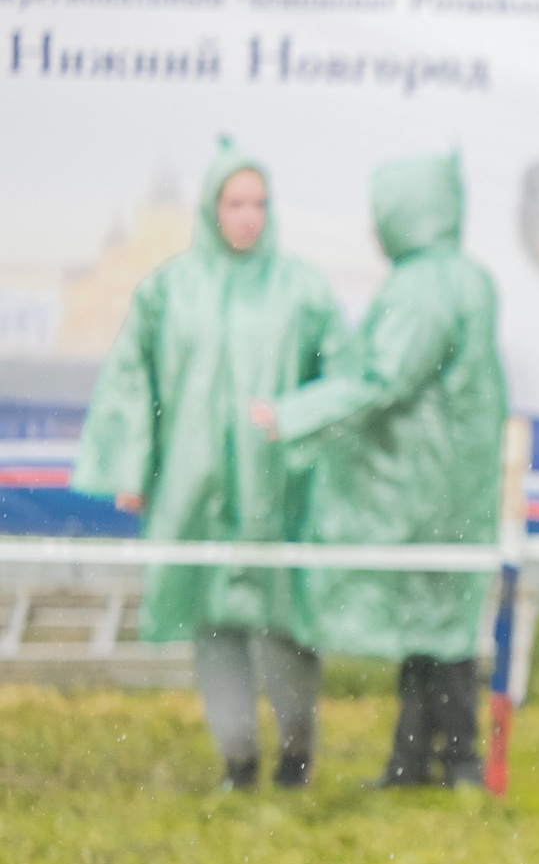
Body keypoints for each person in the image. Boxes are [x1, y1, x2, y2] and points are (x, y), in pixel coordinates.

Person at [71, 142, 349, 790]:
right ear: (211, 208)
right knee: (213, 620)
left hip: (277, 488)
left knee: (284, 621)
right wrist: (132, 466)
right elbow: (131, 379)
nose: (248, 216)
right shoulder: (169, 290)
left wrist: (296, 418)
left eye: (259, 203)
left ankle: (297, 753)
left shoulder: (302, 291)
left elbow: (343, 376)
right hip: (193, 485)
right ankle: (239, 759)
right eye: (235, 203)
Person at [265, 152, 508, 789]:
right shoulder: (466, 278)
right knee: (438, 618)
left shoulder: (423, 287)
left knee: (437, 621)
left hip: (420, 480)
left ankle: (453, 761)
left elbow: (383, 378)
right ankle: (418, 760)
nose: (374, 230)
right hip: (455, 482)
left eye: (384, 213)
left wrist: (294, 414)